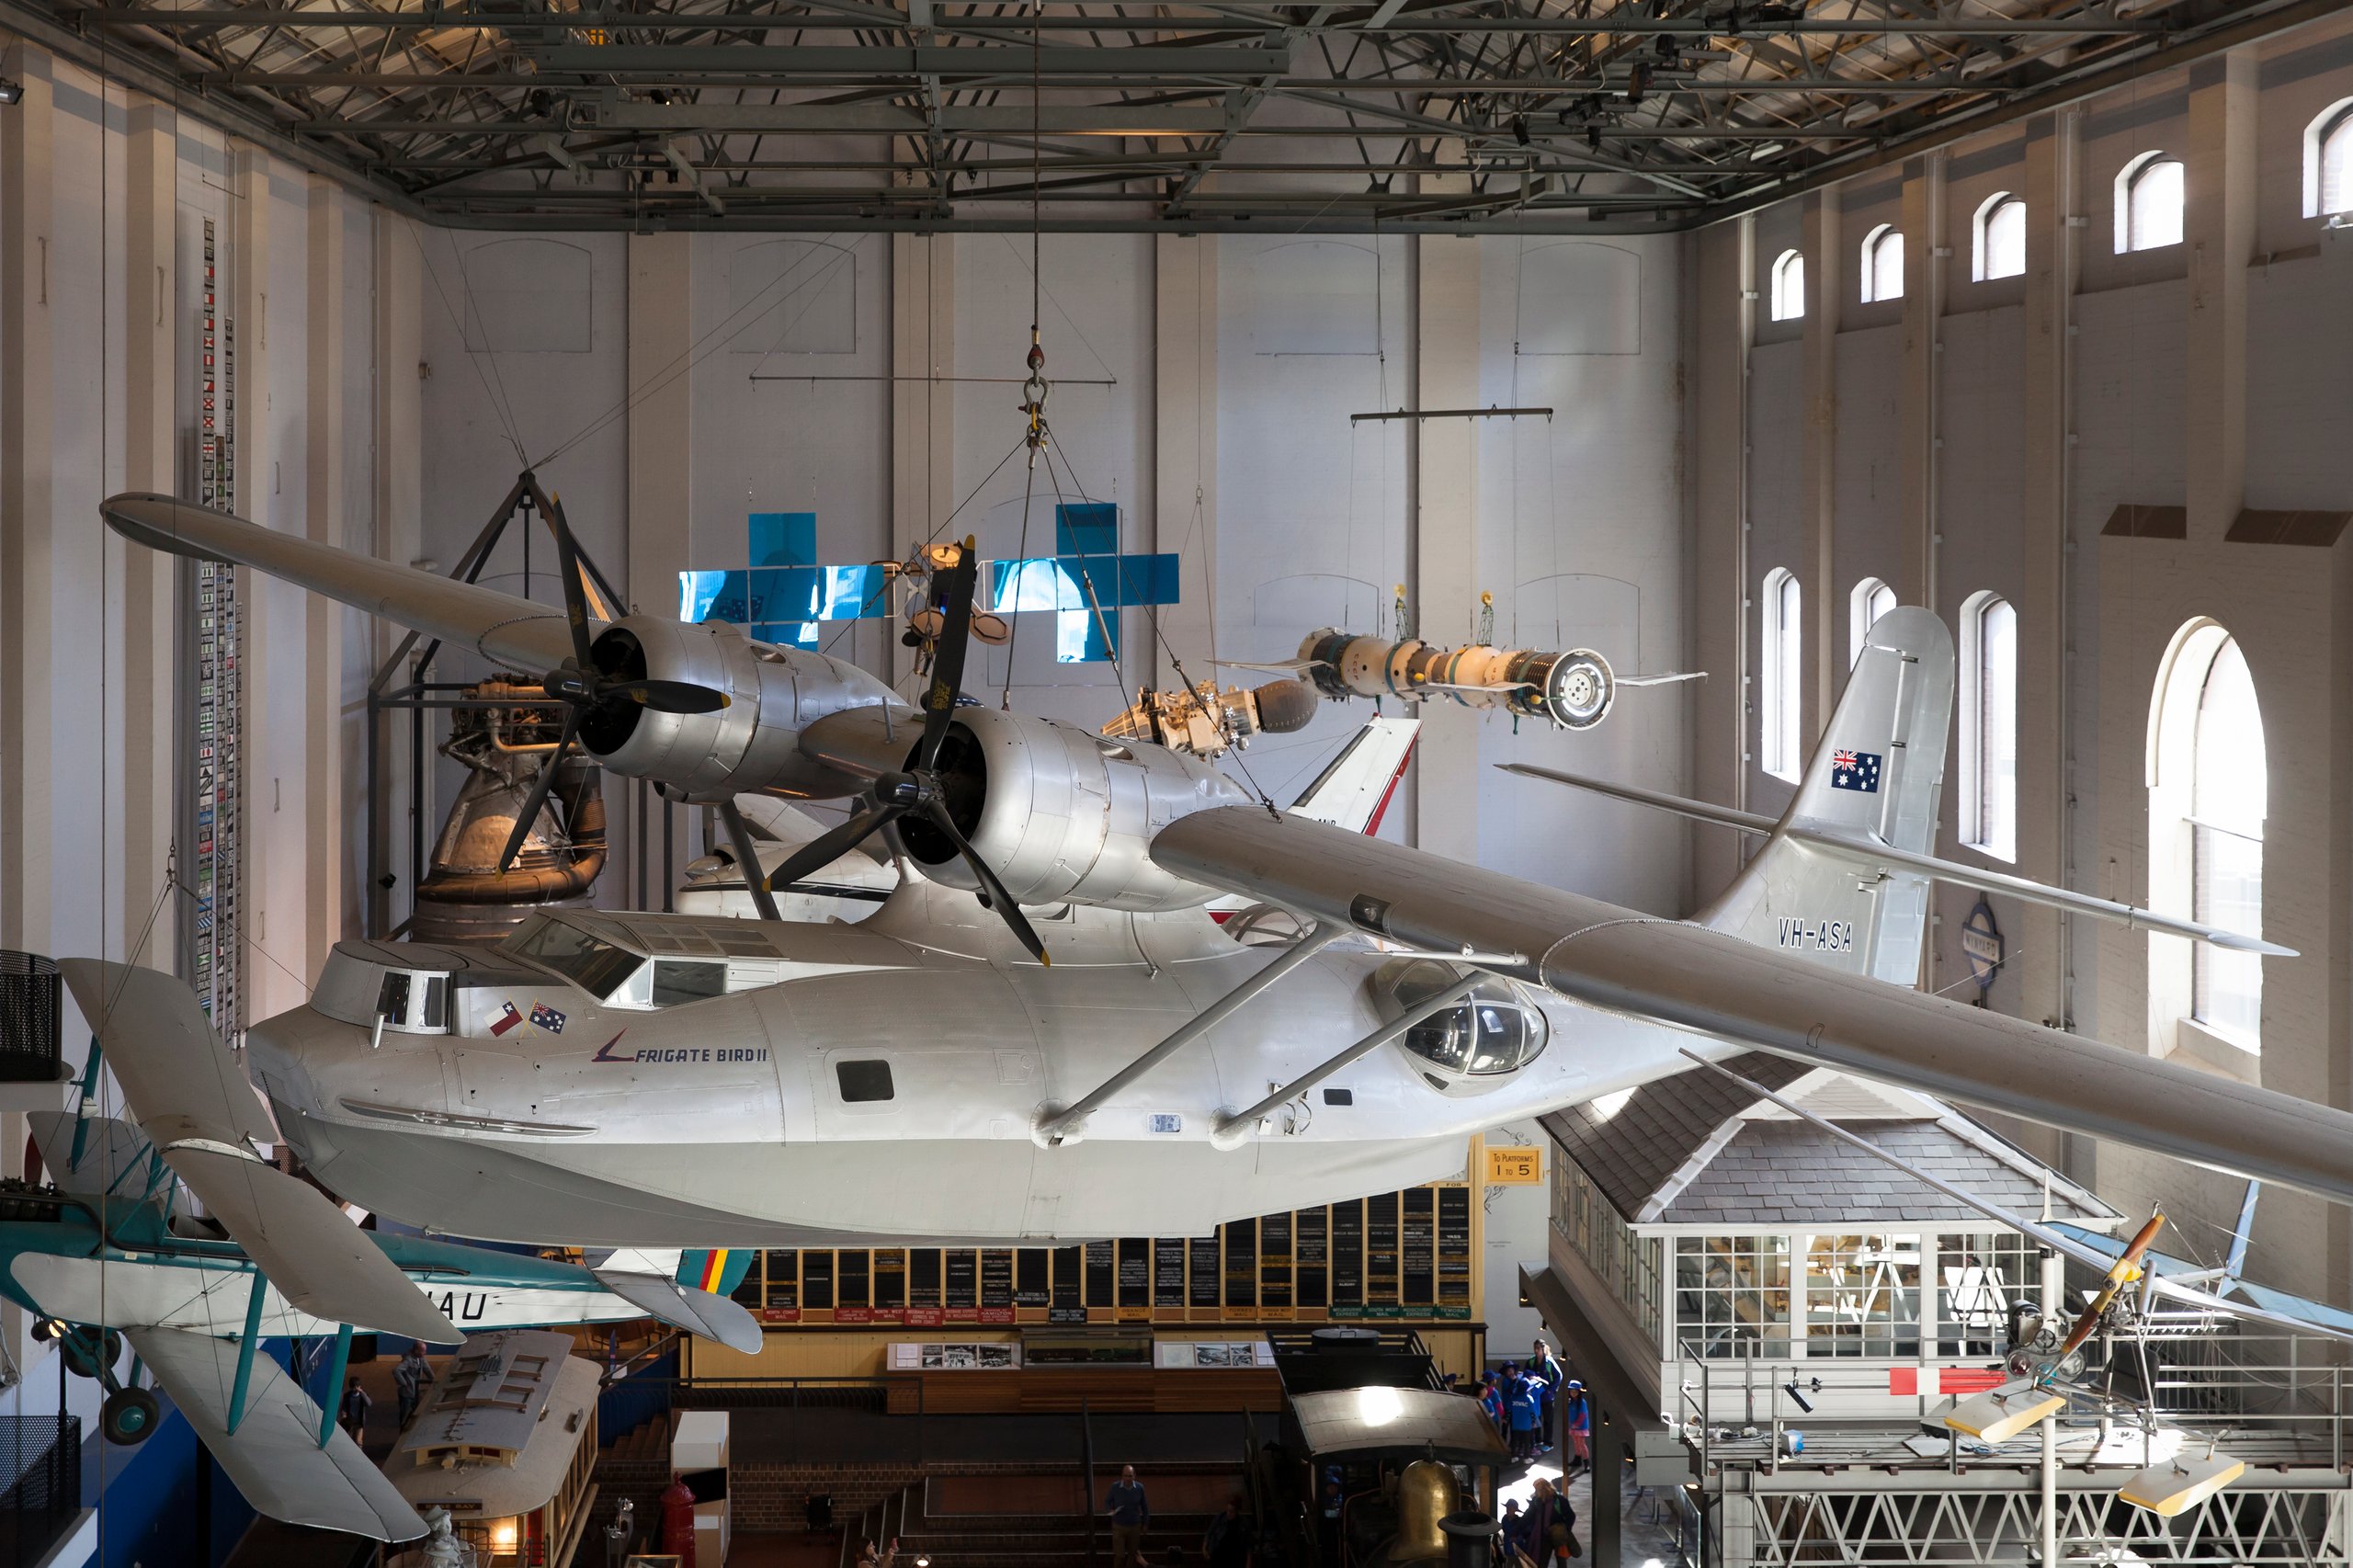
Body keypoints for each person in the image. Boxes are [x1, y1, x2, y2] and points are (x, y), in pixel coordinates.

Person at [1107, 1463, 1151, 1568]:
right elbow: (1107, 1501)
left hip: (1134, 1526)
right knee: (1119, 1555)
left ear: (1134, 1476)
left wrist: (1145, 1523)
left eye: (1130, 1476)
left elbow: (1145, 1507)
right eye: (1126, 1476)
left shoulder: (1140, 1488)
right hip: (1119, 1526)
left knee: (1133, 1554)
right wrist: (1110, 1510)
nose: (1128, 1478)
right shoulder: (1115, 1487)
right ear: (1122, 1476)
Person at [1529, 1339, 1564, 1452]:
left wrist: (1551, 1391)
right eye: (1535, 1348)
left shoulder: (1549, 1362)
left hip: (1547, 1397)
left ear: (1543, 1349)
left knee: (1548, 1419)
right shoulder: (1531, 1361)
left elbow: (1558, 1376)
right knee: (1536, 1417)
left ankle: (1548, 1442)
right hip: (1535, 1396)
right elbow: (1526, 1374)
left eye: (1538, 1348)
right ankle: (1538, 1439)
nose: (1536, 1351)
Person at [1503, 1366, 1540, 1460]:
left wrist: (1506, 1419)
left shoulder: (1513, 1398)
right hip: (1526, 1426)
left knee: (1515, 1441)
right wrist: (1533, 1421)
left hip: (1515, 1425)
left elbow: (1509, 1410)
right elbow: (1532, 1412)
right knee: (1526, 1442)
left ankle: (1514, 1456)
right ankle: (1526, 1457)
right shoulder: (1529, 1399)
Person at [395, 1342, 437, 1428]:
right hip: (407, 1393)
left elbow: (427, 1370)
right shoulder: (408, 1360)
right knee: (405, 1416)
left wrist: (435, 1381)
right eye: (423, 1351)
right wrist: (404, 1383)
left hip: (415, 1391)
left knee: (416, 1413)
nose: (425, 1353)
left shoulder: (421, 1358)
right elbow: (396, 1371)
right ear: (416, 1350)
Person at [1203, 1498, 1253, 1568]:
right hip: (1219, 1552)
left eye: (1231, 1511)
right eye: (1227, 1510)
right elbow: (1210, 1532)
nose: (1228, 1514)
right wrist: (1204, 1549)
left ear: (1236, 1512)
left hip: (1235, 1555)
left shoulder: (1244, 1524)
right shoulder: (1221, 1518)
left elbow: (1248, 1545)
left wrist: (1248, 1563)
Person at [1560, 1381, 1592, 1479]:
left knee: (1581, 1444)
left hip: (1580, 1427)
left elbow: (1583, 1415)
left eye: (1575, 1392)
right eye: (1571, 1391)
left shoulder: (1582, 1402)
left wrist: (1576, 1424)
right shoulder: (1570, 1401)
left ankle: (1586, 1462)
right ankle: (1577, 1459)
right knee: (1576, 1442)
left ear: (1579, 1392)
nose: (1573, 1393)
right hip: (1573, 1426)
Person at [338, 1375, 371, 1442]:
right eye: (354, 1388)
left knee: (358, 1441)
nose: (355, 1389)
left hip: (359, 1422)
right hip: (349, 1422)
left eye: (357, 1387)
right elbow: (344, 1408)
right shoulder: (347, 1396)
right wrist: (344, 1416)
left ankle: (359, 1452)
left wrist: (362, 1392)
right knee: (348, 1441)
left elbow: (369, 1404)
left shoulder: (362, 1396)